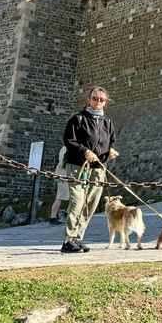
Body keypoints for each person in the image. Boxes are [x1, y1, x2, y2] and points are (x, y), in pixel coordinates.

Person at [60, 87, 119, 253]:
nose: (98, 101)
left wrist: (111, 151)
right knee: (77, 201)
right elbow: (69, 141)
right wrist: (84, 151)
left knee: (91, 204)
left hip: (98, 168)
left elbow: (110, 141)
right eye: (95, 98)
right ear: (89, 99)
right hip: (77, 166)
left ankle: (78, 238)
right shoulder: (77, 119)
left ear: (106, 103)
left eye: (101, 99)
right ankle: (68, 239)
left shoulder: (107, 122)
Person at [48, 146, 69, 225]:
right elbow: (62, 162)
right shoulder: (65, 148)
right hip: (63, 174)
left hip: (67, 175)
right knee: (59, 197)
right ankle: (53, 217)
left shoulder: (67, 147)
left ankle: (67, 213)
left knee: (73, 195)